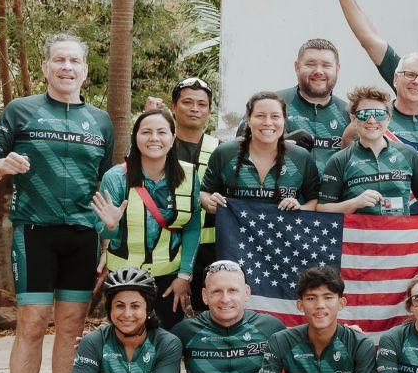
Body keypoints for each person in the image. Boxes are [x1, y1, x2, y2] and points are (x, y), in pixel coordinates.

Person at [0, 33, 114, 373]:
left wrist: (107, 240)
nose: (67, 67)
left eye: (74, 61)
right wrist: (3, 164)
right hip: (34, 233)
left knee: (71, 329)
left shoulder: (101, 121)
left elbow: (107, 184)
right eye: (59, 60)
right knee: (32, 324)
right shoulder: (21, 110)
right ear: (46, 67)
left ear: (85, 70)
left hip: (83, 235)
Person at [94, 109, 200, 329]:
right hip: (124, 276)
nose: (154, 138)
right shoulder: (116, 178)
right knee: (127, 336)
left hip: (170, 278)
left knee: (167, 338)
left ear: (173, 137)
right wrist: (110, 226)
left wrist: (184, 276)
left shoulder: (189, 176)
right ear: (135, 137)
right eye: (146, 132)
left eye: (161, 132)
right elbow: (104, 229)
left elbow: (192, 227)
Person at [318, 87, 418, 223]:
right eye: (364, 114)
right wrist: (354, 203)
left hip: (400, 234)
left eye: (379, 114)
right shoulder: (339, 160)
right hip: (359, 235)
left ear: (389, 118)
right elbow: (322, 209)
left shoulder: (408, 154)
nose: (372, 120)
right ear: (353, 119)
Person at [201, 92, 320, 215]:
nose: (268, 122)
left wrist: (300, 208)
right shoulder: (225, 153)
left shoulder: (301, 157)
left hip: (284, 228)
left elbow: (315, 201)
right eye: (260, 116)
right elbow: (204, 192)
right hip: (233, 227)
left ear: (284, 120)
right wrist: (210, 203)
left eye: (275, 116)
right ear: (249, 120)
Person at [240, 38, 349, 170]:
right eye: (310, 64)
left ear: (337, 69)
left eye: (326, 65)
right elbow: (239, 148)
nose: (318, 71)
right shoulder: (270, 104)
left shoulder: (350, 114)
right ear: (297, 67)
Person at [169, 77, 220, 313]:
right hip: (166, 248)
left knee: (207, 316)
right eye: (187, 102)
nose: (194, 109)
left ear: (209, 110)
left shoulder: (222, 150)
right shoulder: (157, 144)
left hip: (209, 251)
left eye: (202, 104)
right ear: (174, 106)